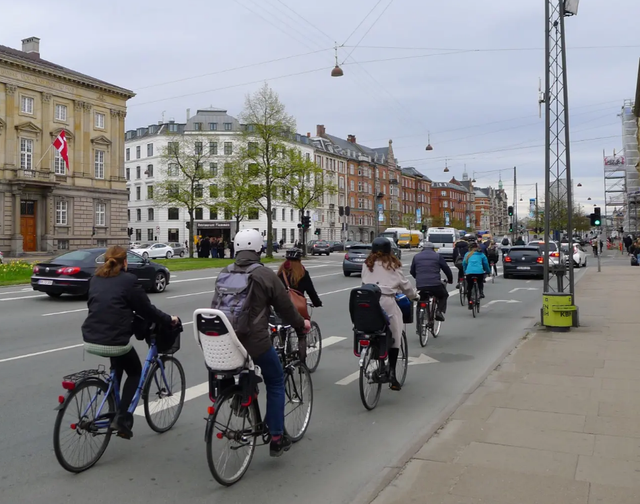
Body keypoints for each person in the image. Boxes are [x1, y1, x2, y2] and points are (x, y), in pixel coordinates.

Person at [211, 229, 310, 457]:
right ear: (258, 249)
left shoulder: (223, 272)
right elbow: (285, 307)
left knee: (243, 368)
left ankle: (241, 395)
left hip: (226, 342)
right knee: (275, 381)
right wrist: (300, 324)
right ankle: (276, 437)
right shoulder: (264, 274)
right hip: (254, 341)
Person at [81, 246, 178, 439]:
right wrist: (169, 319)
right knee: (134, 371)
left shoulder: (95, 279)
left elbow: (97, 305)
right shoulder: (128, 281)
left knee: (118, 365)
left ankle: (114, 404)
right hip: (114, 340)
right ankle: (122, 418)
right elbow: (147, 310)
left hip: (90, 338)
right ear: (125, 262)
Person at [362, 237, 418, 391]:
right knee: (395, 334)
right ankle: (392, 374)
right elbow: (405, 285)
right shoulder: (393, 265)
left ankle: (372, 352)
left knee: (370, 328)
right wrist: (414, 296)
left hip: (368, 301)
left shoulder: (367, 264)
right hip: (386, 301)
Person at [410, 242, 453, 324]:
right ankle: (438, 311)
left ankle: (419, 323)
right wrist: (450, 280)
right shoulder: (437, 256)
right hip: (435, 284)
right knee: (443, 295)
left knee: (421, 300)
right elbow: (446, 269)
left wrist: (418, 278)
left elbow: (412, 271)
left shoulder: (416, 257)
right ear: (433, 249)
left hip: (421, 285)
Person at [462, 242, 491, 309]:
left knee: (469, 288)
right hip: (479, 272)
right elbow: (486, 264)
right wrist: (488, 271)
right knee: (480, 282)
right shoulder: (481, 254)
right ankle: (481, 292)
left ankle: (470, 302)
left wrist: (465, 271)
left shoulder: (467, 254)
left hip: (469, 272)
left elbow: (464, 263)